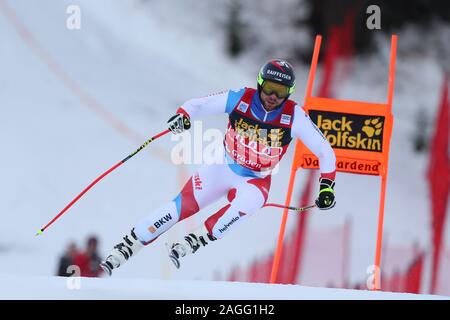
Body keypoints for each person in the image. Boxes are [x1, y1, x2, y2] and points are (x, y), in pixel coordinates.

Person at [100, 59, 337, 276]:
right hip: (222, 167)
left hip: (255, 178)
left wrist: (327, 186)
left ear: (289, 93)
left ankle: (196, 239)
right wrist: (183, 116)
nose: (273, 96)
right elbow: (198, 105)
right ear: (260, 84)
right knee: (180, 208)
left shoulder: (294, 115)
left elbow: (325, 151)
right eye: (269, 88)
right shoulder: (241, 99)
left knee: (251, 203)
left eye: (281, 91)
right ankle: (127, 246)